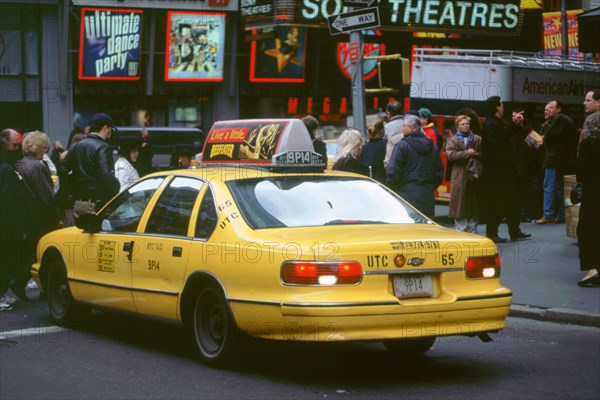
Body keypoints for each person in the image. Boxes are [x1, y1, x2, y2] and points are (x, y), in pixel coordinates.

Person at [14, 131, 60, 300]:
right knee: (41, 253)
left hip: (29, 215)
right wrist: (57, 216)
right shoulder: (38, 166)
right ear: (37, 148)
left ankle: (19, 283)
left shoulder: (21, 164)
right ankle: (23, 284)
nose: (45, 151)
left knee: (30, 251)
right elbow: (47, 196)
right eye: (44, 148)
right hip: (42, 216)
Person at [481, 96, 531, 243]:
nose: (503, 107)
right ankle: (492, 233)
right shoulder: (492, 124)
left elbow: (506, 135)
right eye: (501, 105)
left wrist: (516, 124)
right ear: (497, 107)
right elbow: (498, 147)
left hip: (503, 170)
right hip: (498, 171)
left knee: (511, 200)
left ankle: (514, 230)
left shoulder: (495, 122)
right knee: (498, 202)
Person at [62, 113, 120, 218]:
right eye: (111, 129)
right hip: (95, 204)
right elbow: (107, 176)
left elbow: (64, 170)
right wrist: (116, 188)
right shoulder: (103, 147)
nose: (111, 132)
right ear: (105, 128)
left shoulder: (76, 145)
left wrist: (70, 193)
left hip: (77, 203)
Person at [386, 115, 443, 219]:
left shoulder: (402, 145)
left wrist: (394, 189)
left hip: (406, 195)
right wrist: (430, 187)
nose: (402, 128)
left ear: (411, 128)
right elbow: (439, 172)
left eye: (404, 126)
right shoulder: (432, 146)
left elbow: (393, 171)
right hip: (427, 196)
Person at [535, 100, 578, 224]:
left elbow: (547, 137)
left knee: (549, 186)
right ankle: (561, 215)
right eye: (545, 108)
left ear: (558, 109)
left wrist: (541, 139)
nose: (547, 110)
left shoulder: (559, 119)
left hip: (554, 159)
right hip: (563, 160)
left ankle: (548, 214)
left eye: (551, 108)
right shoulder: (562, 120)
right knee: (560, 188)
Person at [0, 135, 30, 310]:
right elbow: (16, 198)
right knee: (9, 257)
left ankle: (2, 292)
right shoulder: (6, 170)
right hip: (8, 221)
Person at [446, 115, 482, 233]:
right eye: (462, 124)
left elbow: (483, 153)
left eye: (467, 124)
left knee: (473, 203)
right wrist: (467, 153)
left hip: (474, 174)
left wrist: (472, 154)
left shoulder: (477, 139)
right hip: (459, 174)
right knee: (459, 203)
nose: (465, 126)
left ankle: (473, 229)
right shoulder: (453, 140)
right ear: (457, 126)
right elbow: (451, 155)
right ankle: (460, 230)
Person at [576, 113, 600, 286]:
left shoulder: (586, 145)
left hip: (592, 194)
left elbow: (581, 172)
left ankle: (592, 268)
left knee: (587, 229)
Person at [509, 107, 538, 222]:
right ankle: (511, 213)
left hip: (525, 164)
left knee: (524, 189)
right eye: (514, 116)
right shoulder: (510, 130)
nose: (517, 119)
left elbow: (539, 143)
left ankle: (523, 213)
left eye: (519, 116)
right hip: (512, 163)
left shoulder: (529, 130)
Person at [360, 119, 388, 184]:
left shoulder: (364, 146)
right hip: (383, 182)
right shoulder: (386, 144)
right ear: (382, 131)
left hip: (367, 182)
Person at [383, 100, 404, 168]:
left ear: (388, 113)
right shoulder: (412, 124)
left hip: (393, 163)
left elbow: (384, 146)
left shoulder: (387, 128)